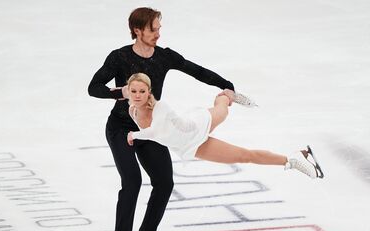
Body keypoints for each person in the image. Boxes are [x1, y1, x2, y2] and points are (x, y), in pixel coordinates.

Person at [87, 7, 235, 231]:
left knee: (164, 182)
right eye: (153, 28)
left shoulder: (164, 57)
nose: (158, 33)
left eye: (159, 27)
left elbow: (196, 70)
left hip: (152, 129)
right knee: (132, 182)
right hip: (121, 128)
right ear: (137, 30)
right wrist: (119, 92)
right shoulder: (119, 57)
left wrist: (226, 85)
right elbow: (93, 88)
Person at [126, 73, 325, 178]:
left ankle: (227, 95)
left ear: (149, 91)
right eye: (133, 91)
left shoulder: (161, 107)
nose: (137, 95)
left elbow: (155, 131)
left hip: (196, 125)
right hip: (190, 146)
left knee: (223, 109)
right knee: (244, 156)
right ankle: (295, 158)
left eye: (142, 91)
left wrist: (133, 135)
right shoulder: (132, 111)